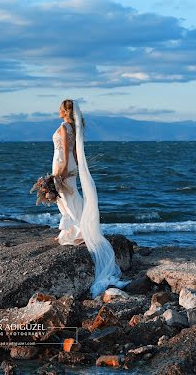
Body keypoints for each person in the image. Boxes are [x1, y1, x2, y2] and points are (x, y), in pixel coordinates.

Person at [52, 98, 131, 298]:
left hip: (62, 164)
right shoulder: (73, 127)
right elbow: (76, 152)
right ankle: (74, 228)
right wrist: (76, 168)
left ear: (63, 110)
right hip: (70, 165)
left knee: (64, 197)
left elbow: (65, 151)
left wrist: (60, 171)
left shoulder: (63, 127)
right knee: (67, 197)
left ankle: (76, 230)